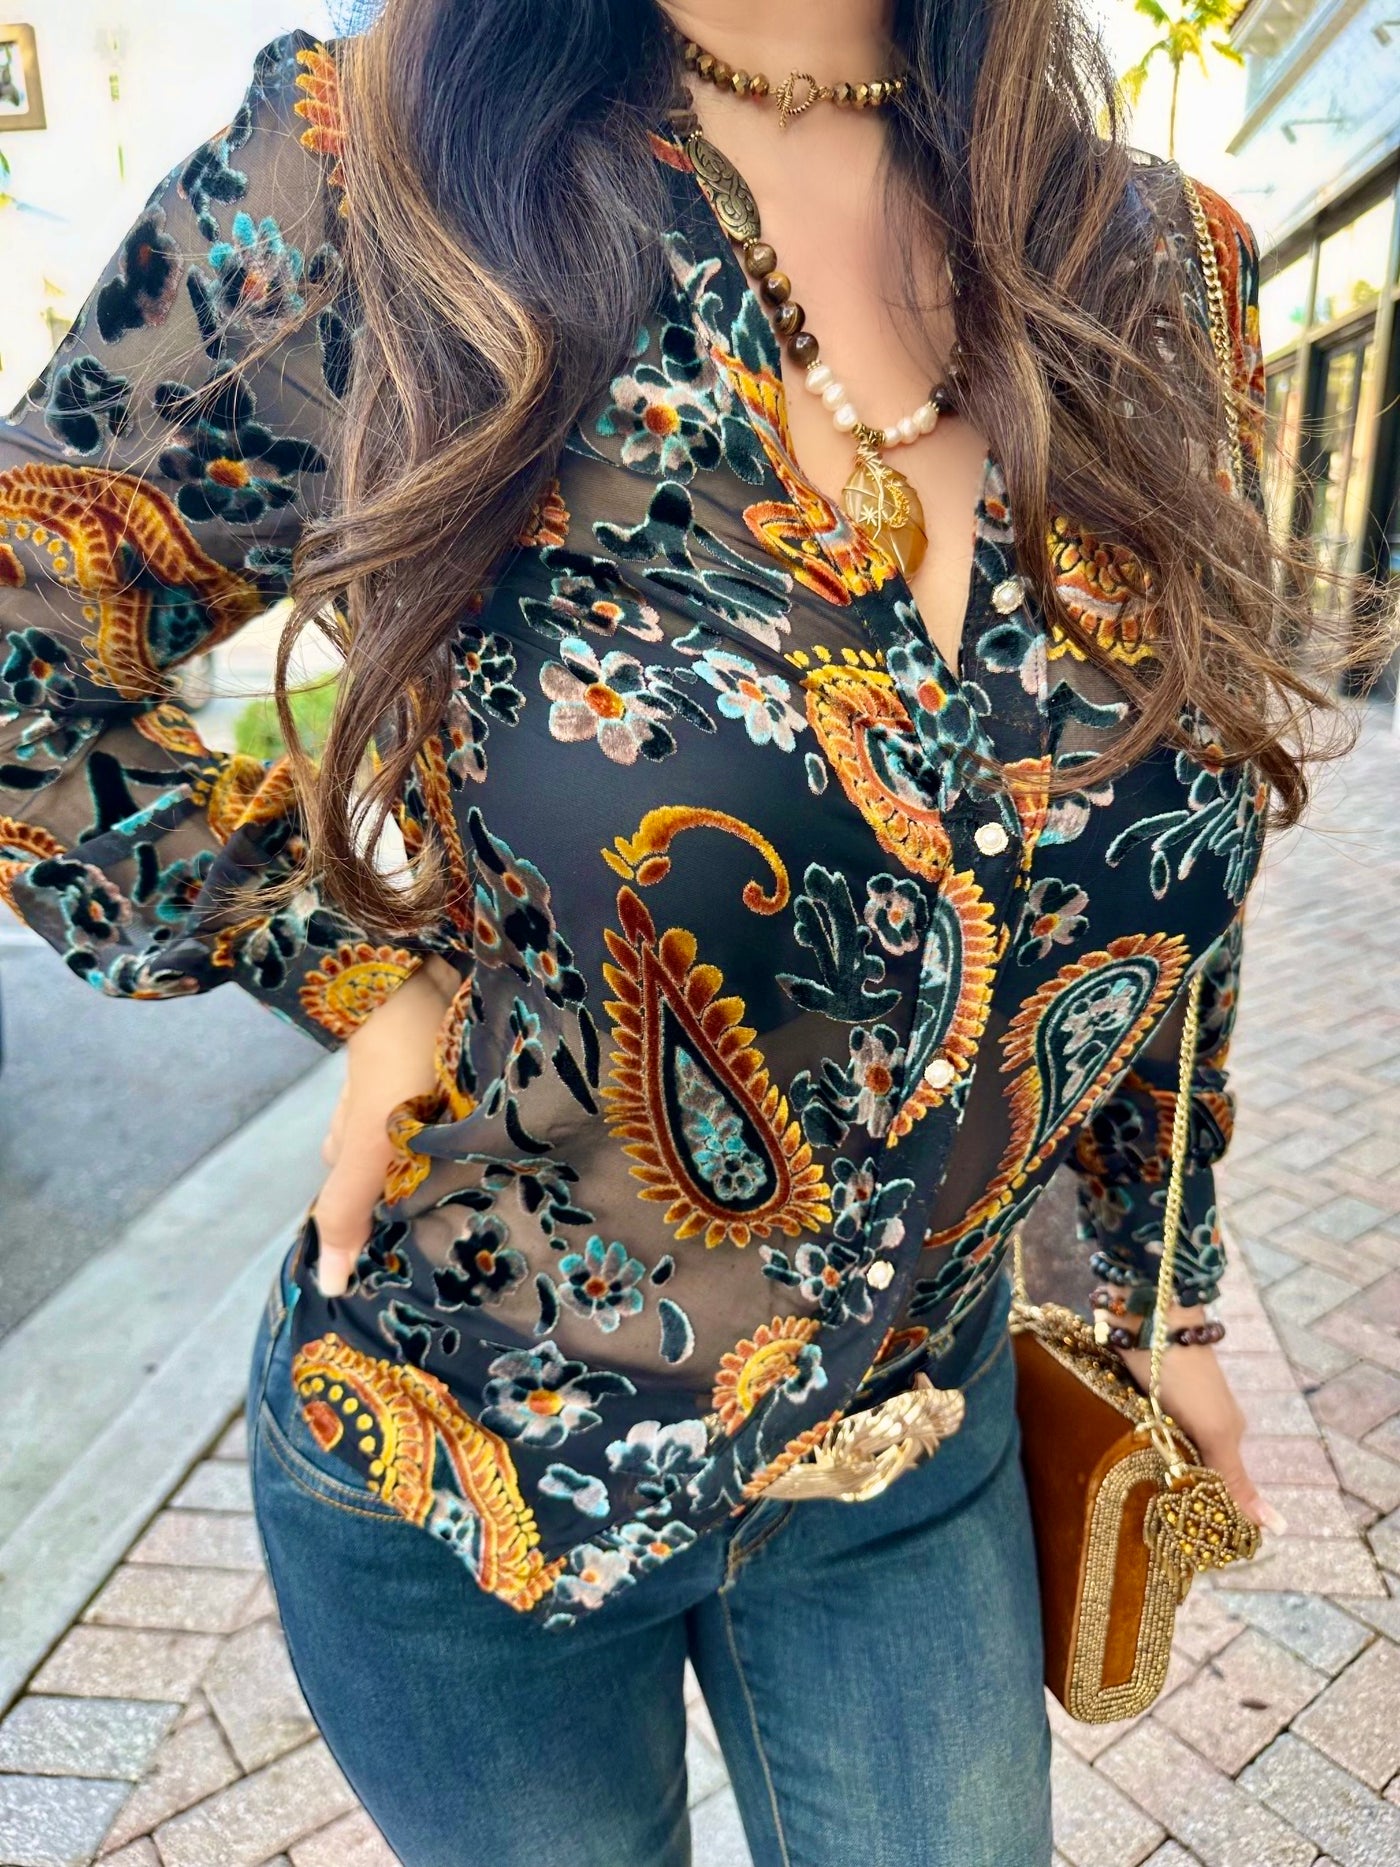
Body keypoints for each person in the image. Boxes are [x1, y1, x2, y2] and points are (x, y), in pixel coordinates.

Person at [0, 1, 1331, 1861]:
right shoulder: (380, 175)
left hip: (909, 1438)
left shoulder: (1155, 268)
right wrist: (351, 971)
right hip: (473, 1447)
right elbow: (23, 641)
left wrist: (1164, 1284)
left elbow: (1182, 863)